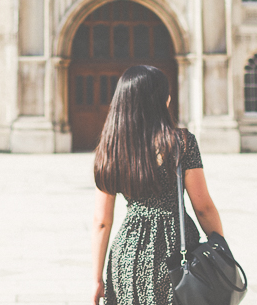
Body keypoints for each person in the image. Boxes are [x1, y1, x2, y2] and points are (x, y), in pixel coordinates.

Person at [91, 65, 226, 305]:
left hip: (128, 252)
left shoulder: (111, 148)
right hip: (175, 247)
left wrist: (96, 279)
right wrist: (220, 250)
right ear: (161, 100)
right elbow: (203, 207)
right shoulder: (182, 142)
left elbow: (102, 221)